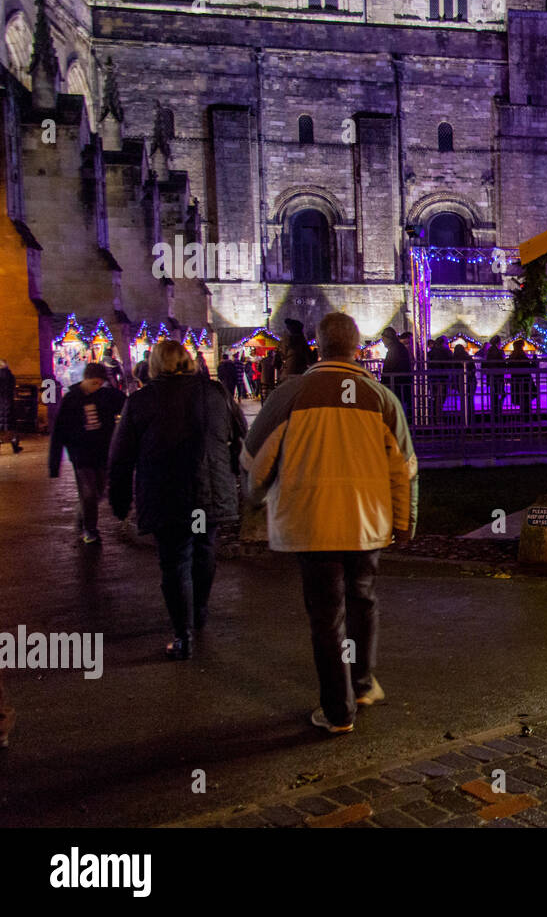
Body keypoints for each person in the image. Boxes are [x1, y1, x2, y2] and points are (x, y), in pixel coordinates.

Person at [241, 312, 418, 735]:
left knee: (326, 616)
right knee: (362, 600)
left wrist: (255, 496)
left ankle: (337, 711)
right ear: (357, 348)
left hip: (311, 522)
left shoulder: (289, 394)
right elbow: (404, 469)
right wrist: (404, 520)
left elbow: (254, 459)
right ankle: (361, 684)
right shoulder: (379, 398)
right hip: (366, 522)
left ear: (318, 346)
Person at [109, 340, 247, 660]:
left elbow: (121, 456)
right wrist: (234, 472)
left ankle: (182, 633)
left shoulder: (141, 401)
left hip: (167, 494)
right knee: (203, 549)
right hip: (207, 490)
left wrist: (118, 499)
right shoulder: (215, 393)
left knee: (175, 561)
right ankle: (198, 610)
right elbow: (241, 436)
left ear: (155, 364)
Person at [49, 362, 126, 545]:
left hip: (102, 453)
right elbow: (59, 431)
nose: (97, 387)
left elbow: (128, 405)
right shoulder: (71, 399)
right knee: (89, 493)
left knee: (99, 491)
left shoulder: (107, 396)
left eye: (100, 383)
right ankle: (90, 530)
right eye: (94, 383)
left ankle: (83, 514)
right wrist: (54, 464)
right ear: (86, 379)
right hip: (80, 454)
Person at [380, 326, 413, 421]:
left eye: (383, 339)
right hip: (400, 383)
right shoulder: (397, 348)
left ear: (387, 338)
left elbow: (389, 368)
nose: (383, 342)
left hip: (397, 384)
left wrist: (384, 382)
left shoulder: (394, 350)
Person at [507, 340, 538, 419]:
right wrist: (535, 359)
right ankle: (526, 416)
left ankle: (523, 415)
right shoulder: (522, 356)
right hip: (525, 381)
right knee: (526, 398)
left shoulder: (512, 357)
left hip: (516, 380)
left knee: (521, 398)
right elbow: (530, 366)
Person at [427, 336, 453, 422]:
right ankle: (439, 418)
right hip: (442, 377)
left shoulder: (432, 352)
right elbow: (450, 363)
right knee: (441, 398)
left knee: (435, 397)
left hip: (433, 377)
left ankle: (434, 416)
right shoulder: (446, 351)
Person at [481, 335, 507, 418]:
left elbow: (484, 364)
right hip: (498, 376)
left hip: (491, 376)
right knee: (501, 393)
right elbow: (502, 364)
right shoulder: (499, 352)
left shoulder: (488, 352)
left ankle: (494, 411)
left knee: (494, 394)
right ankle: (498, 411)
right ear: (498, 343)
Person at [0, 359, 19, 453]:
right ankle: (14, 443)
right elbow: (12, 387)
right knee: (11, 424)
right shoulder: (10, 375)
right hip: (8, 402)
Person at [452, 343, 476, 417]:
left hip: (460, 381)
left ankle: (464, 414)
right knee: (470, 398)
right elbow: (473, 368)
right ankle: (471, 414)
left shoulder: (454, 359)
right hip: (470, 380)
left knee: (463, 398)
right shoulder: (468, 357)